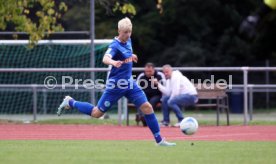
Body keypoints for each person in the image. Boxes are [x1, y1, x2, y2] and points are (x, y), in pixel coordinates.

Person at [57, 17, 175, 146]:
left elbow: (126, 53)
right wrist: (113, 62)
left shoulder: (129, 40)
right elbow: (105, 58)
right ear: (119, 31)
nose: (127, 35)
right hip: (116, 85)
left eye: (129, 32)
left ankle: (159, 140)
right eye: (125, 32)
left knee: (147, 107)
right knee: (96, 113)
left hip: (129, 84)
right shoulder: (114, 45)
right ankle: (70, 101)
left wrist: (132, 56)